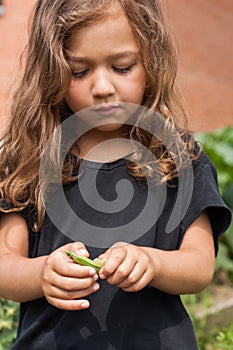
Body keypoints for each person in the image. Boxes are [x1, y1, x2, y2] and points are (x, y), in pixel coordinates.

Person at [0, 0, 231, 349]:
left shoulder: (181, 159)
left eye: (122, 67)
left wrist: (152, 262)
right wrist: (42, 272)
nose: (103, 87)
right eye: (78, 71)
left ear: (152, 61)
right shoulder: (30, 160)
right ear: (50, 71)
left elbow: (199, 267)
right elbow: (5, 266)